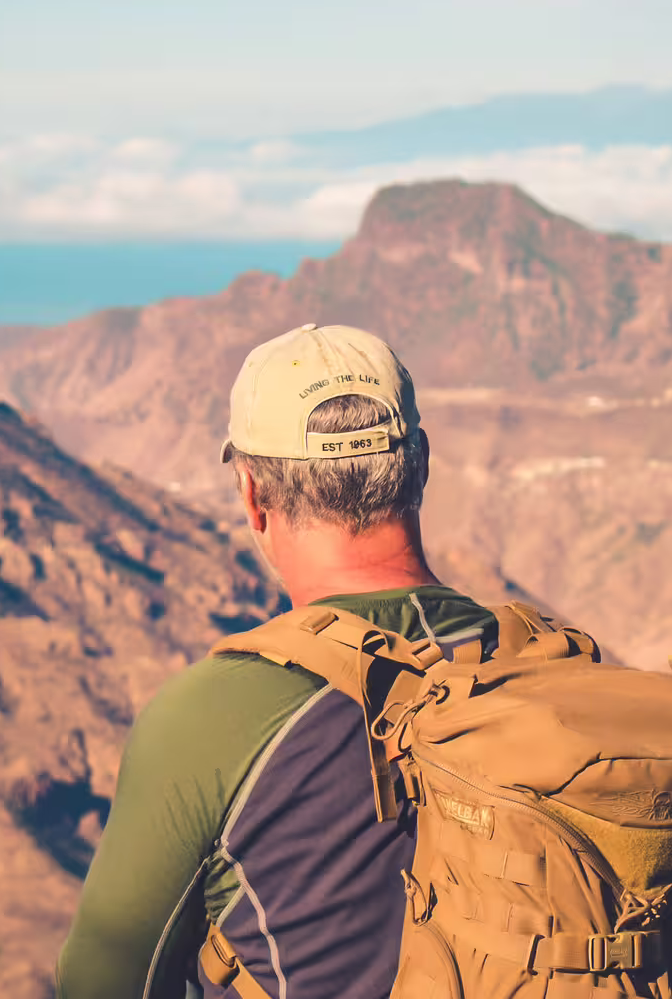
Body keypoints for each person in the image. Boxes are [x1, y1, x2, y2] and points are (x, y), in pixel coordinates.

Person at [56, 322, 487, 998]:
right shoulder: (549, 668)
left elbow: (102, 984)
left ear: (252, 493)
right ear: (422, 464)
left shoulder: (209, 718)